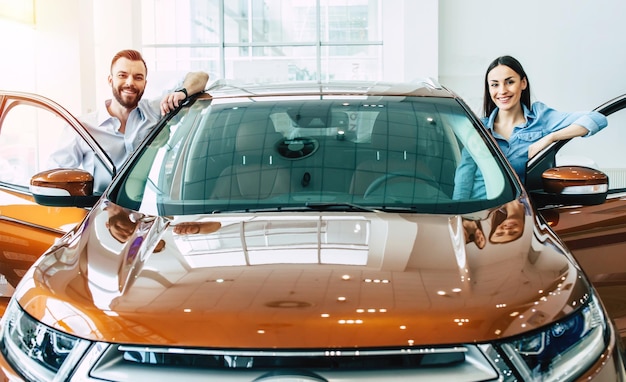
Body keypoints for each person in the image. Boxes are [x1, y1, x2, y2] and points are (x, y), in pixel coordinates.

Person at [48, 49, 209, 188]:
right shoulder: (81, 128)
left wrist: (182, 92)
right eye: (122, 75)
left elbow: (201, 77)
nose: (130, 83)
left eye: (138, 77)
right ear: (110, 80)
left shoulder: (157, 110)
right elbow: (53, 179)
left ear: (145, 84)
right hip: (101, 215)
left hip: (152, 213)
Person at [453, 55, 607, 199]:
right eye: (495, 85)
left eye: (510, 82)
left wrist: (550, 137)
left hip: (520, 215)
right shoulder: (478, 128)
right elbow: (464, 178)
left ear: (523, 83)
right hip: (480, 213)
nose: (502, 91)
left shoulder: (541, 118)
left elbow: (597, 119)